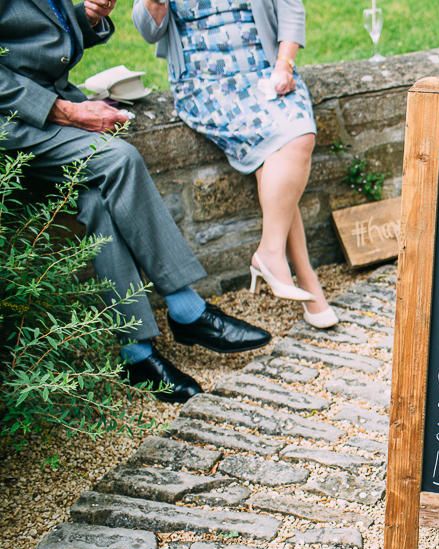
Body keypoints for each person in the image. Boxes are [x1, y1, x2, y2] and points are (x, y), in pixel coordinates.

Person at [0, 0, 272, 404]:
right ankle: (187, 309)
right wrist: (70, 112)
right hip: (14, 126)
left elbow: (35, 35)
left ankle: (137, 353)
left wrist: (86, 18)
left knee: (97, 202)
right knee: (119, 159)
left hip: (43, 108)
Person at [133, 0, 339, 329]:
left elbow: (290, 8)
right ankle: (301, 275)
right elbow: (148, 28)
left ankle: (274, 257)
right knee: (277, 152)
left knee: (293, 142)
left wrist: (284, 64)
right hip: (206, 85)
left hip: (266, 72)